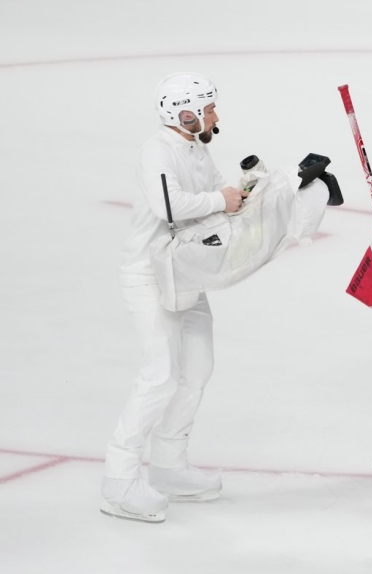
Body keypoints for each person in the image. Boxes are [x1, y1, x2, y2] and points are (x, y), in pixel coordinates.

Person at [101, 73, 245, 523]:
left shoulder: (196, 148)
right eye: (209, 108)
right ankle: (118, 480)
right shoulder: (157, 152)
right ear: (185, 114)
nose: (215, 116)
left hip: (184, 270)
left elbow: (218, 195)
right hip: (149, 274)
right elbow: (172, 205)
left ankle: (167, 464)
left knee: (197, 367)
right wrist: (221, 201)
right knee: (160, 373)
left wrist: (244, 198)